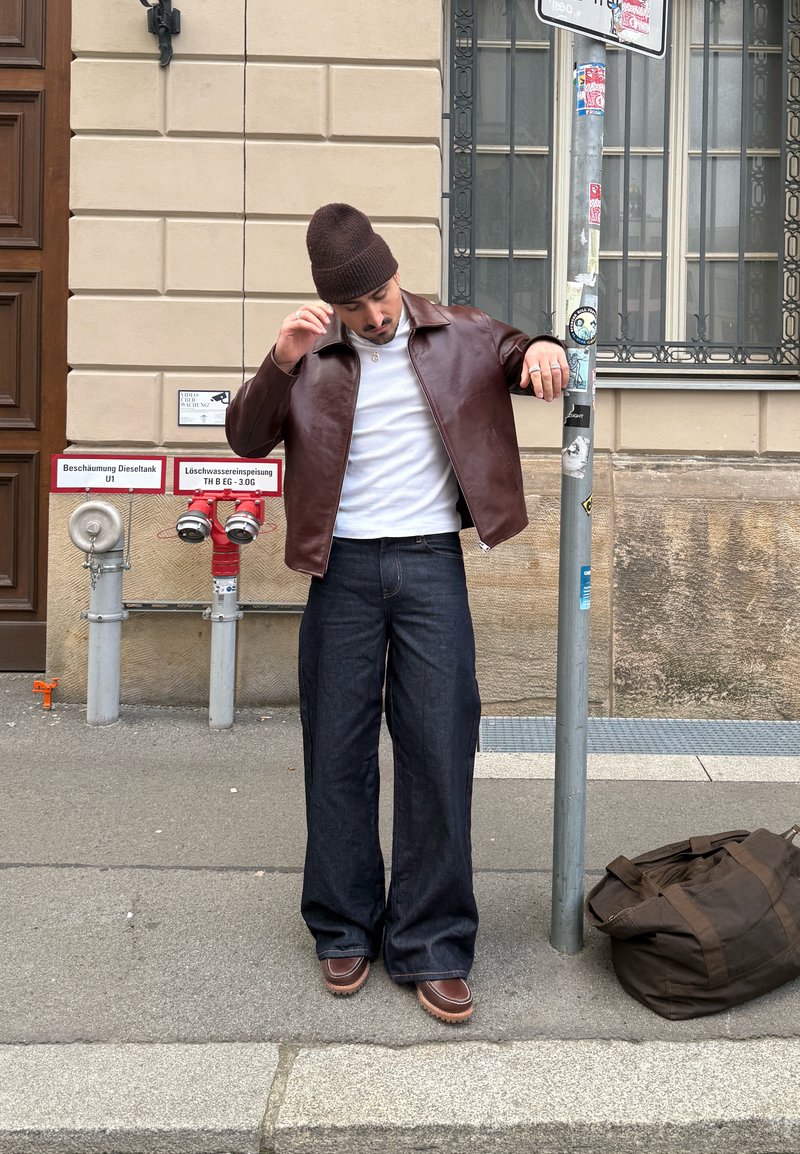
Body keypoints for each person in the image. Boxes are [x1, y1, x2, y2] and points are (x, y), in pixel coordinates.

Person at [226, 203, 567, 1024]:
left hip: (429, 566)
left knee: (439, 748)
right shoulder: (309, 354)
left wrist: (545, 346)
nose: (375, 316)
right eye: (355, 306)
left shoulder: (459, 332)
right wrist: (280, 360)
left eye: (380, 295)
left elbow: (517, 352)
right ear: (330, 304)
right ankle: (343, 926)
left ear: (395, 274)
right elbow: (245, 437)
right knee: (337, 752)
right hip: (340, 570)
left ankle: (433, 943)